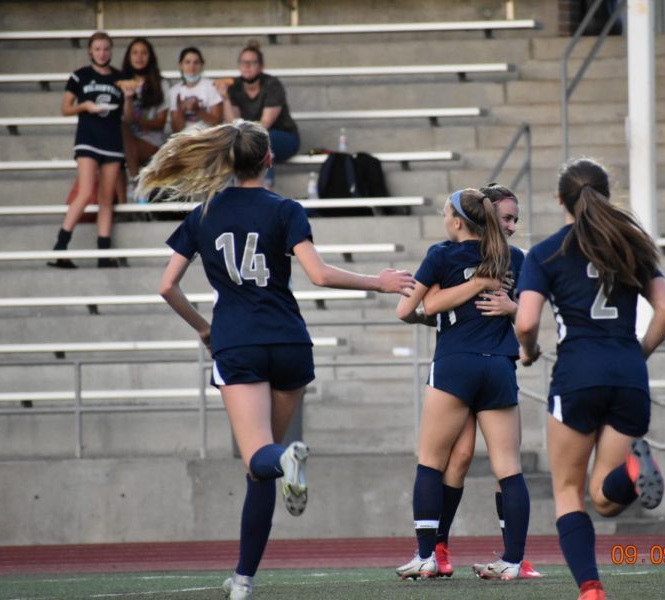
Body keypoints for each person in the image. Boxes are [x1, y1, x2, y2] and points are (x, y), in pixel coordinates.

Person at [138, 120, 414, 600]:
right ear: (269, 160)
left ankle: (269, 507)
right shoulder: (286, 209)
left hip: (238, 344)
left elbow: (166, 286)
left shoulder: (205, 213)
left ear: (228, 160)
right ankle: (242, 579)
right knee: (261, 468)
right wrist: (380, 281)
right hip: (289, 343)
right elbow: (320, 276)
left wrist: (204, 328)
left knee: (262, 459)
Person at [513, 158, 665, 600]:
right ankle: (631, 469)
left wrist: (528, 354)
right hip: (629, 373)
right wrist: (638, 351)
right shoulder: (631, 245)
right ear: (607, 194)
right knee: (605, 498)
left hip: (577, 374)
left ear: (560, 200)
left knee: (569, 491)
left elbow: (526, 323)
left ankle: (590, 588)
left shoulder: (546, 252)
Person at [395, 188, 530, 581]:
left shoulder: (441, 254)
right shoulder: (512, 258)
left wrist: (437, 311)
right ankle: (513, 561)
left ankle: (426, 555)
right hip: (500, 366)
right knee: (509, 469)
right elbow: (530, 318)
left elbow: (407, 310)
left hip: (455, 365)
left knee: (430, 461)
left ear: (457, 221)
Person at [49, 31, 124, 269]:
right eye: (98, 48)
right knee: (86, 190)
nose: (102, 53)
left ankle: (103, 252)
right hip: (88, 139)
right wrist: (86, 106)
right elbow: (64, 108)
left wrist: (131, 96)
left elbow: (128, 115)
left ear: (111, 51)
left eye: (106, 48)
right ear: (90, 51)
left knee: (106, 198)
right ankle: (60, 246)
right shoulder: (80, 75)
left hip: (112, 140)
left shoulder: (120, 78)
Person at [217, 41, 300, 187]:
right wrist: (225, 97)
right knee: (232, 141)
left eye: (252, 62)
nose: (247, 66)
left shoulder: (272, 85)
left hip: (284, 137)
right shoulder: (234, 87)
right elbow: (234, 123)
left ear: (261, 66)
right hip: (251, 138)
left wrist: (246, 137)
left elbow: (264, 124)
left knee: (264, 139)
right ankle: (231, 190)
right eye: (243, 62)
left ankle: (265, 190)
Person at [120, 37, 169, 199]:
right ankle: (134, 186)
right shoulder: (120, 83)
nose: (139, 57)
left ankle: (135, 184)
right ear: (128, 57)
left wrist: (138, 121)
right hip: (126, 142)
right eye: (135, 53)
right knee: (122, 131)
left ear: (150, 57)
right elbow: (126, 119)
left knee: (124, 131)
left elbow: (161, 122)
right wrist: (127, 98)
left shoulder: (161, 84)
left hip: (152, 142)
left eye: (143, 53)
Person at [169, 46, 223, 133]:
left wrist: (198, 110)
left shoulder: (211, 86)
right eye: (187, 62)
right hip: (184, 140)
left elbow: (217, 123)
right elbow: (177, 129)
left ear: (202, 66)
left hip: (208, 138)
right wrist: (180, 110)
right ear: (181, 65)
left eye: (196, 62)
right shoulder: (174, 91)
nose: (192, 66)